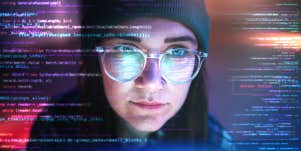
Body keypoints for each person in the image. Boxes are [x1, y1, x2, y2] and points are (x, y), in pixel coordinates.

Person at [27, 0, 234, 150]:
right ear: (95, 59)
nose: (151, 83)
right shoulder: (55, 130)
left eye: (177, 52)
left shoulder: (215, 142)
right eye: (126, 50)